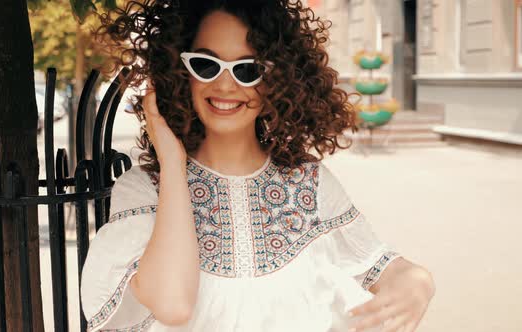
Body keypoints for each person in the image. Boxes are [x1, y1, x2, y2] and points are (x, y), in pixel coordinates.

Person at [80, 1, 435, 331]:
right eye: (205, 64)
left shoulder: (309, 183)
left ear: (276, 81)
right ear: (179, 71)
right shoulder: (144, 188)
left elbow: (384, 267)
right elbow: (173, 305)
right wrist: (172, 163)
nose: (224, 84)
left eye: (247, 69)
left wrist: (420, 282)